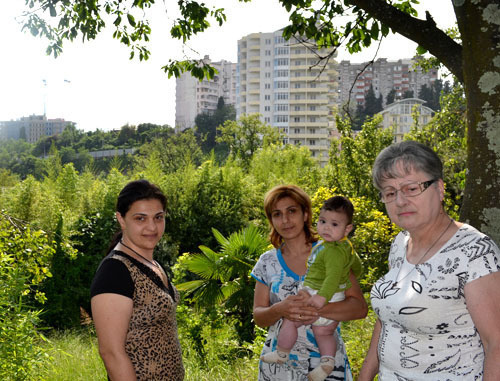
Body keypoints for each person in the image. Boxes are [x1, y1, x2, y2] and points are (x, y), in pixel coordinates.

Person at [359, 141, 500, 380]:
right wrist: (364, 376)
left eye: (411, 188)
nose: (400, 201)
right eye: (390, 193)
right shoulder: (400, 244)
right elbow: (388, 319)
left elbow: (496, 342)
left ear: (440, 188)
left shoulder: (474, 252)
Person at [252, 185, 368, 381]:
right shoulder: (267, 262)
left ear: (305, 214)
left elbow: (359, 308)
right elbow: (259, 317)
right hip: (278, 371)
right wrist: (281, 309)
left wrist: (316, 309)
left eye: (292, 211)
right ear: (271, 220)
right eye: (277, 214)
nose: (285, 220)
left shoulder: (332, 250)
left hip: (327, 368)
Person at [90, 179, 184, 381]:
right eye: (140, 218)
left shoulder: (153, 264)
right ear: (121, 220)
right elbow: (111, 353)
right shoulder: (115, 271)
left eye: (158, 217)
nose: (152, 226)